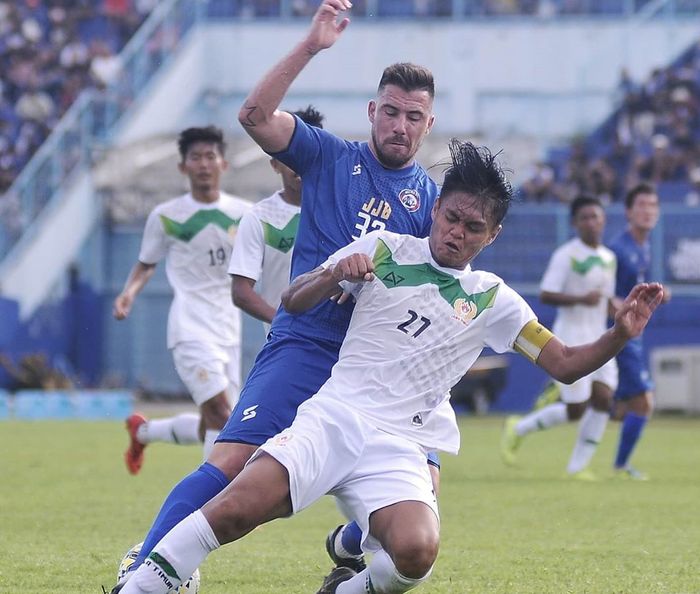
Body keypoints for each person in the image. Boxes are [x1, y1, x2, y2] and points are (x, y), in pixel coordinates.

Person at [117, 140, 664, 594]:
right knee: (238, 507)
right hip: (335, 416)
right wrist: (334, 275)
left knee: (416, 551)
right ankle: (144, 584)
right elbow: (294, 300)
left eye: (474, 227)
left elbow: (565, 365)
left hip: (400, 445)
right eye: (451, 217)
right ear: (435, 208)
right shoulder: (384, 248)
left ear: (491, 236)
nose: (457, 232)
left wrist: (620, 332)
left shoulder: (494, 299)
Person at [110, 1, 441, 587]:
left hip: (375, 372)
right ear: (372, 111)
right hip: (307, 344)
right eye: (390, 112)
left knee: (422, 509)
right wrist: (311, 46)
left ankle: (351, 544)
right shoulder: (330, 155)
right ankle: (149, 564)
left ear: (429, 124)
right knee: (233, 462)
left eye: (414, 117)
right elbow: (255, 114)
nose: (400, 126)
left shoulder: (432, 204)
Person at [113, 126, 252, 472]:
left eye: (210, 157)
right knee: (221, 413)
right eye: (195, 158)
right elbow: (146, 264)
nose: (203, 164)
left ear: (224, 164)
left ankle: (143, 432)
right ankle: (213, 503)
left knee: (219, 422)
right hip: (190, 327)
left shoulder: (247, 214)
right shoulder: (166, 216)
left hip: (229, 328)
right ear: (183, 167)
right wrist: (128, 294)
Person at [500, 196, 618, 479]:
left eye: (596, 216)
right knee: (576, 408)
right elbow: (546, 293)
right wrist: (580, 298)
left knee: (604, 398)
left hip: (600, 334)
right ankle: (518, 428)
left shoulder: (608, 258)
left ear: (603, 220)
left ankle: (579, 467)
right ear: (576, 223)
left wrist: (615, 305)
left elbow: (604, 297)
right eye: (585, 217)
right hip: (571, 335)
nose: (591, 222)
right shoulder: (566, 255)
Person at [229, 105, 325, 334]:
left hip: (339, 344)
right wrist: (283, 321)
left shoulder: (343, 208)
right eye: (291, 154)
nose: (299, 162)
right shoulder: (259, 218)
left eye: (308, 151)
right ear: (275, 162)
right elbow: (241, 291)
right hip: (287, 345)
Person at [608, 182, 670, 480]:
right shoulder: (618, 250)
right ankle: (620, 467)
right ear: (628, 212)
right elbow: (605, 295)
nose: (648, 211)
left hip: (631, 335)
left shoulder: (641, 248)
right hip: (620, 335)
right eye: (642, 205)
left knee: (622, 405)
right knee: (644, 402)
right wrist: (626, 310)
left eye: (653, 206)